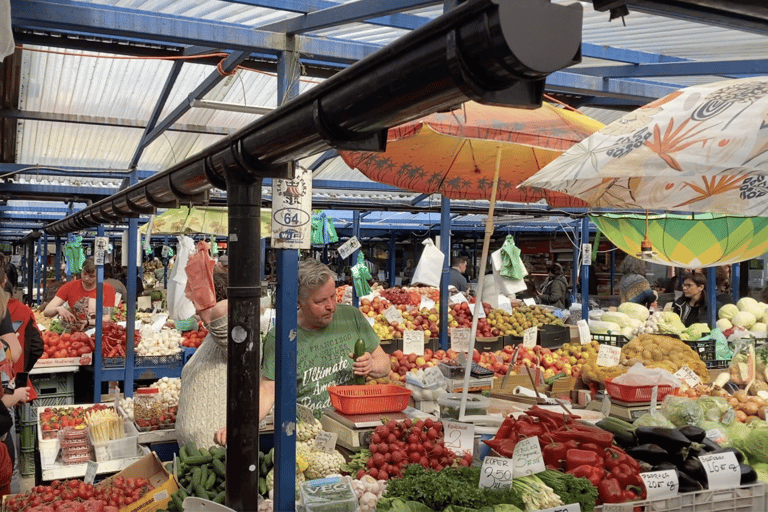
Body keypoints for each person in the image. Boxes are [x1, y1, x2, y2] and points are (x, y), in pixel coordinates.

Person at [213, 258, 390, 445]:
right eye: (320, 301)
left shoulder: (351, 317)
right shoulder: (280, 337)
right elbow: (267, 390)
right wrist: (242, 423)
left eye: (332, 296)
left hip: (352, 429)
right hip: (308, 437)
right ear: (299, 302)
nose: (331, 306)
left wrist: (372, 364)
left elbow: (384, 364)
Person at [176, 267, 228, 449]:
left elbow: (222, 311)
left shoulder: (230, 334)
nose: (195, 310)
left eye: (197, 301)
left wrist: (207, 301)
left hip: (214, 450)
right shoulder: (211, 336)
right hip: (199, 452)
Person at [43, 257, 116, 330]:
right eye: (84, 274)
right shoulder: (69, 287)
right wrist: (58, 309)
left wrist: (88, 322)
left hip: (98, 334)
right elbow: (47, 311)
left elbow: (107, 318)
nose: (86, 278)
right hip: (76, 334)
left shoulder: (107, 289)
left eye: (91, 276)